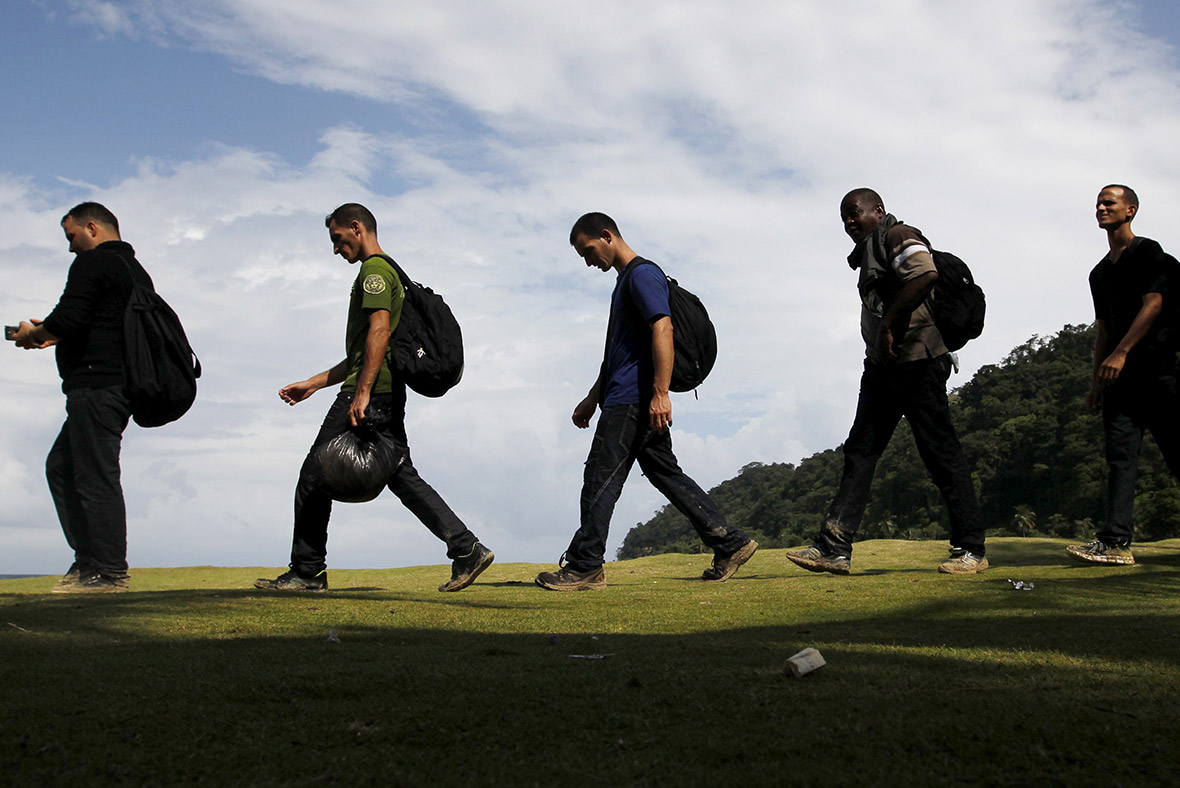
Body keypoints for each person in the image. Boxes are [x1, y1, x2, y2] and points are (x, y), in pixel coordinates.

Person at [255, 203, 493, 592]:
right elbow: (363, 351)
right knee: (400, 474)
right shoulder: (385, 270)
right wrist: (313, 383)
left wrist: (361, 392)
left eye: (337, 239)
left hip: (372, 393)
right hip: (385, 392)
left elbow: (379, 333)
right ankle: (465, 548)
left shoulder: (375, 272)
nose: (335, 250)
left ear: (356, 227)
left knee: (314, 475)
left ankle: (307, 572)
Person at [535, 212, 757, 591]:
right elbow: (618, 354)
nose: (589, 262)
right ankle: (729, 543)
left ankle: (585, 566)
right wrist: (592, 398)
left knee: (599, 480)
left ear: (607, 236)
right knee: (666, 474)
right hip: (625, 394)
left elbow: (663, 327)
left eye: (588, 251)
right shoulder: (626, 283)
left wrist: (660, 393)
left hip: (633, 400)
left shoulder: (642, 275)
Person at [786, 189, 987, 576]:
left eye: (855, 214)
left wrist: (890, 324)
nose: (849, 222)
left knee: (941, 454)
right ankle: (834, 547)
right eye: (843, 217)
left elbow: (925, 273)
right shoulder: (870, 252)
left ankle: (971, 549)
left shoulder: (898, 235)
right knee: (860, 452)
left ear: (878, 212)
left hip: (919, 362)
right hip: (883, 368)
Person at [10, 203, 152, 593]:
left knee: (94, 475)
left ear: (91, 228)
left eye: (72, 236)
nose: (71, 247)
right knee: (62, 466)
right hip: (115, 386)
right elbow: (91, 321)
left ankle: (107, 571)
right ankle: (88, 561)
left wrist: (32, 334)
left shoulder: (94, 263)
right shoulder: (134, 271)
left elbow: (69, 319)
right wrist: (52, 331)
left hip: (97, 386)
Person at [1068, 185, 1180, 565]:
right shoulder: (1099, 273)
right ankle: (1115, 543)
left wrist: (1122, 352)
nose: (1101, 207)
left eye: (1109, 202)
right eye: (1098, 203)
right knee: (1120, 459)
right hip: (1119, 382)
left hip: (1159, 371)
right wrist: (1095, 381)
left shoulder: (1148, 252)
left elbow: (1155, 304)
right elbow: (1102, 328)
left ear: (1130, 210)